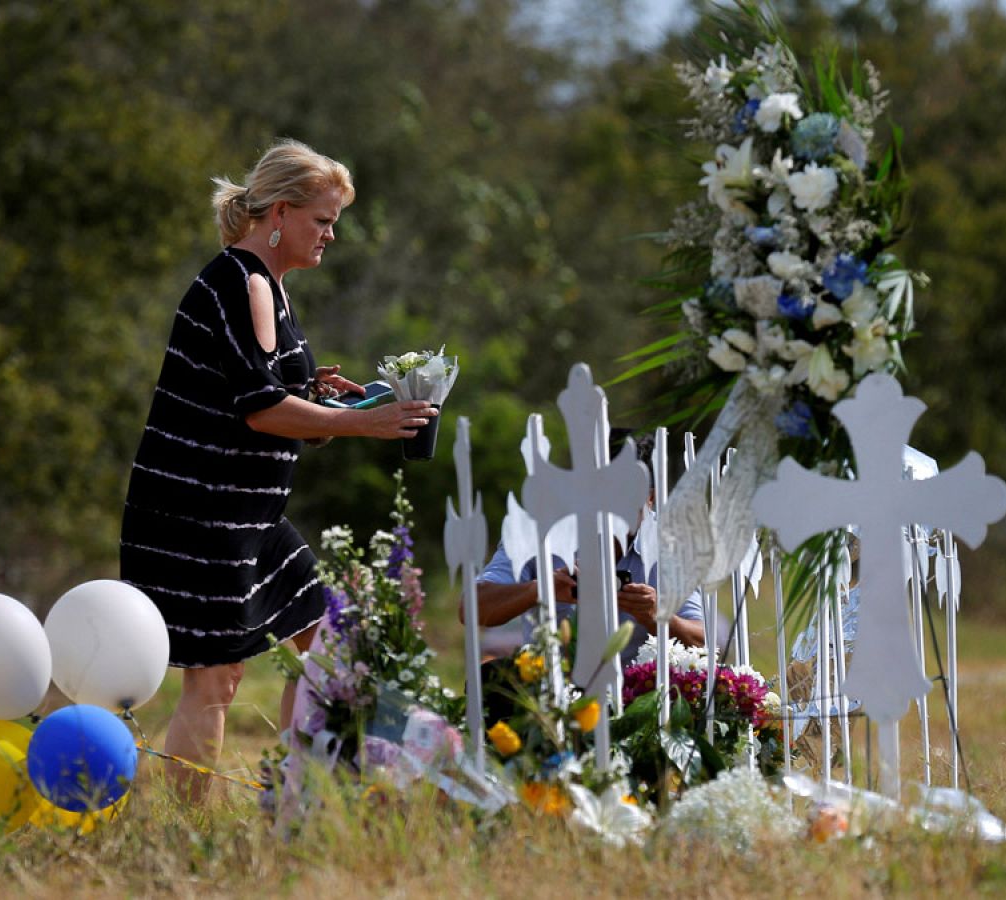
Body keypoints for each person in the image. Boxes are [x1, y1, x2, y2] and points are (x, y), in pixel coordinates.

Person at [120, 139, 437, 801]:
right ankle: (190, 832)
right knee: (216, 677)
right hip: (200, 511)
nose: (330, 235)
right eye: (322, 220)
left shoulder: (271, 287)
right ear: (281, 213)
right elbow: (261, 410)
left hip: (252, 515)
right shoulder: (241, 283)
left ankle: (297, 794)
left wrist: (320, 396)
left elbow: (264, 393)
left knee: (329, 645)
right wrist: (367, 423)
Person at [463, 433, 706, 673]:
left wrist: (658, 617)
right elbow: (471, 608)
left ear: (650, 498)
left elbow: (704, 640)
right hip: (548, 688)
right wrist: (540, 588)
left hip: (640, 692)